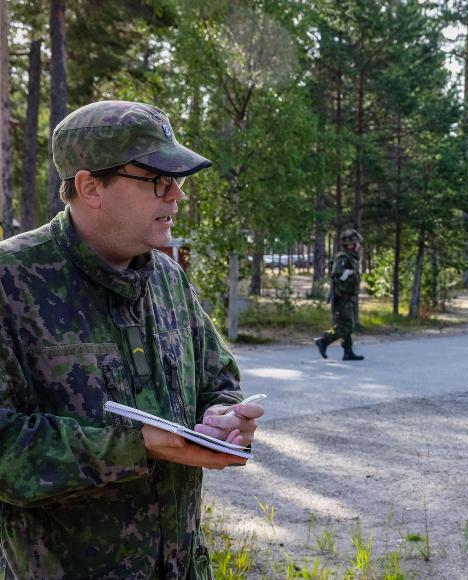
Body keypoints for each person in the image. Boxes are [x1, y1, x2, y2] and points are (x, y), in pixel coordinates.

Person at [0, 100, 264, 578]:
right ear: (89, 186)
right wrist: (138, 445)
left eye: (178, 181)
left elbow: (217, 377)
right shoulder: (11, 281)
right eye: (159, 181)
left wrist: (221, 417)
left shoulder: (167, 276)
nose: (178, 196)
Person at [314, 228, 364, 361]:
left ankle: (348, 352)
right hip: (342, 297)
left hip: (347, 296)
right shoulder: (343, 257)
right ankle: (324, 341)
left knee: (345, 324)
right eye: (356, 243)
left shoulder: (350, 257)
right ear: (351, 243)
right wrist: (350, 273)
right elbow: (337, 274)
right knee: (348, 326)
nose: (358, 245)